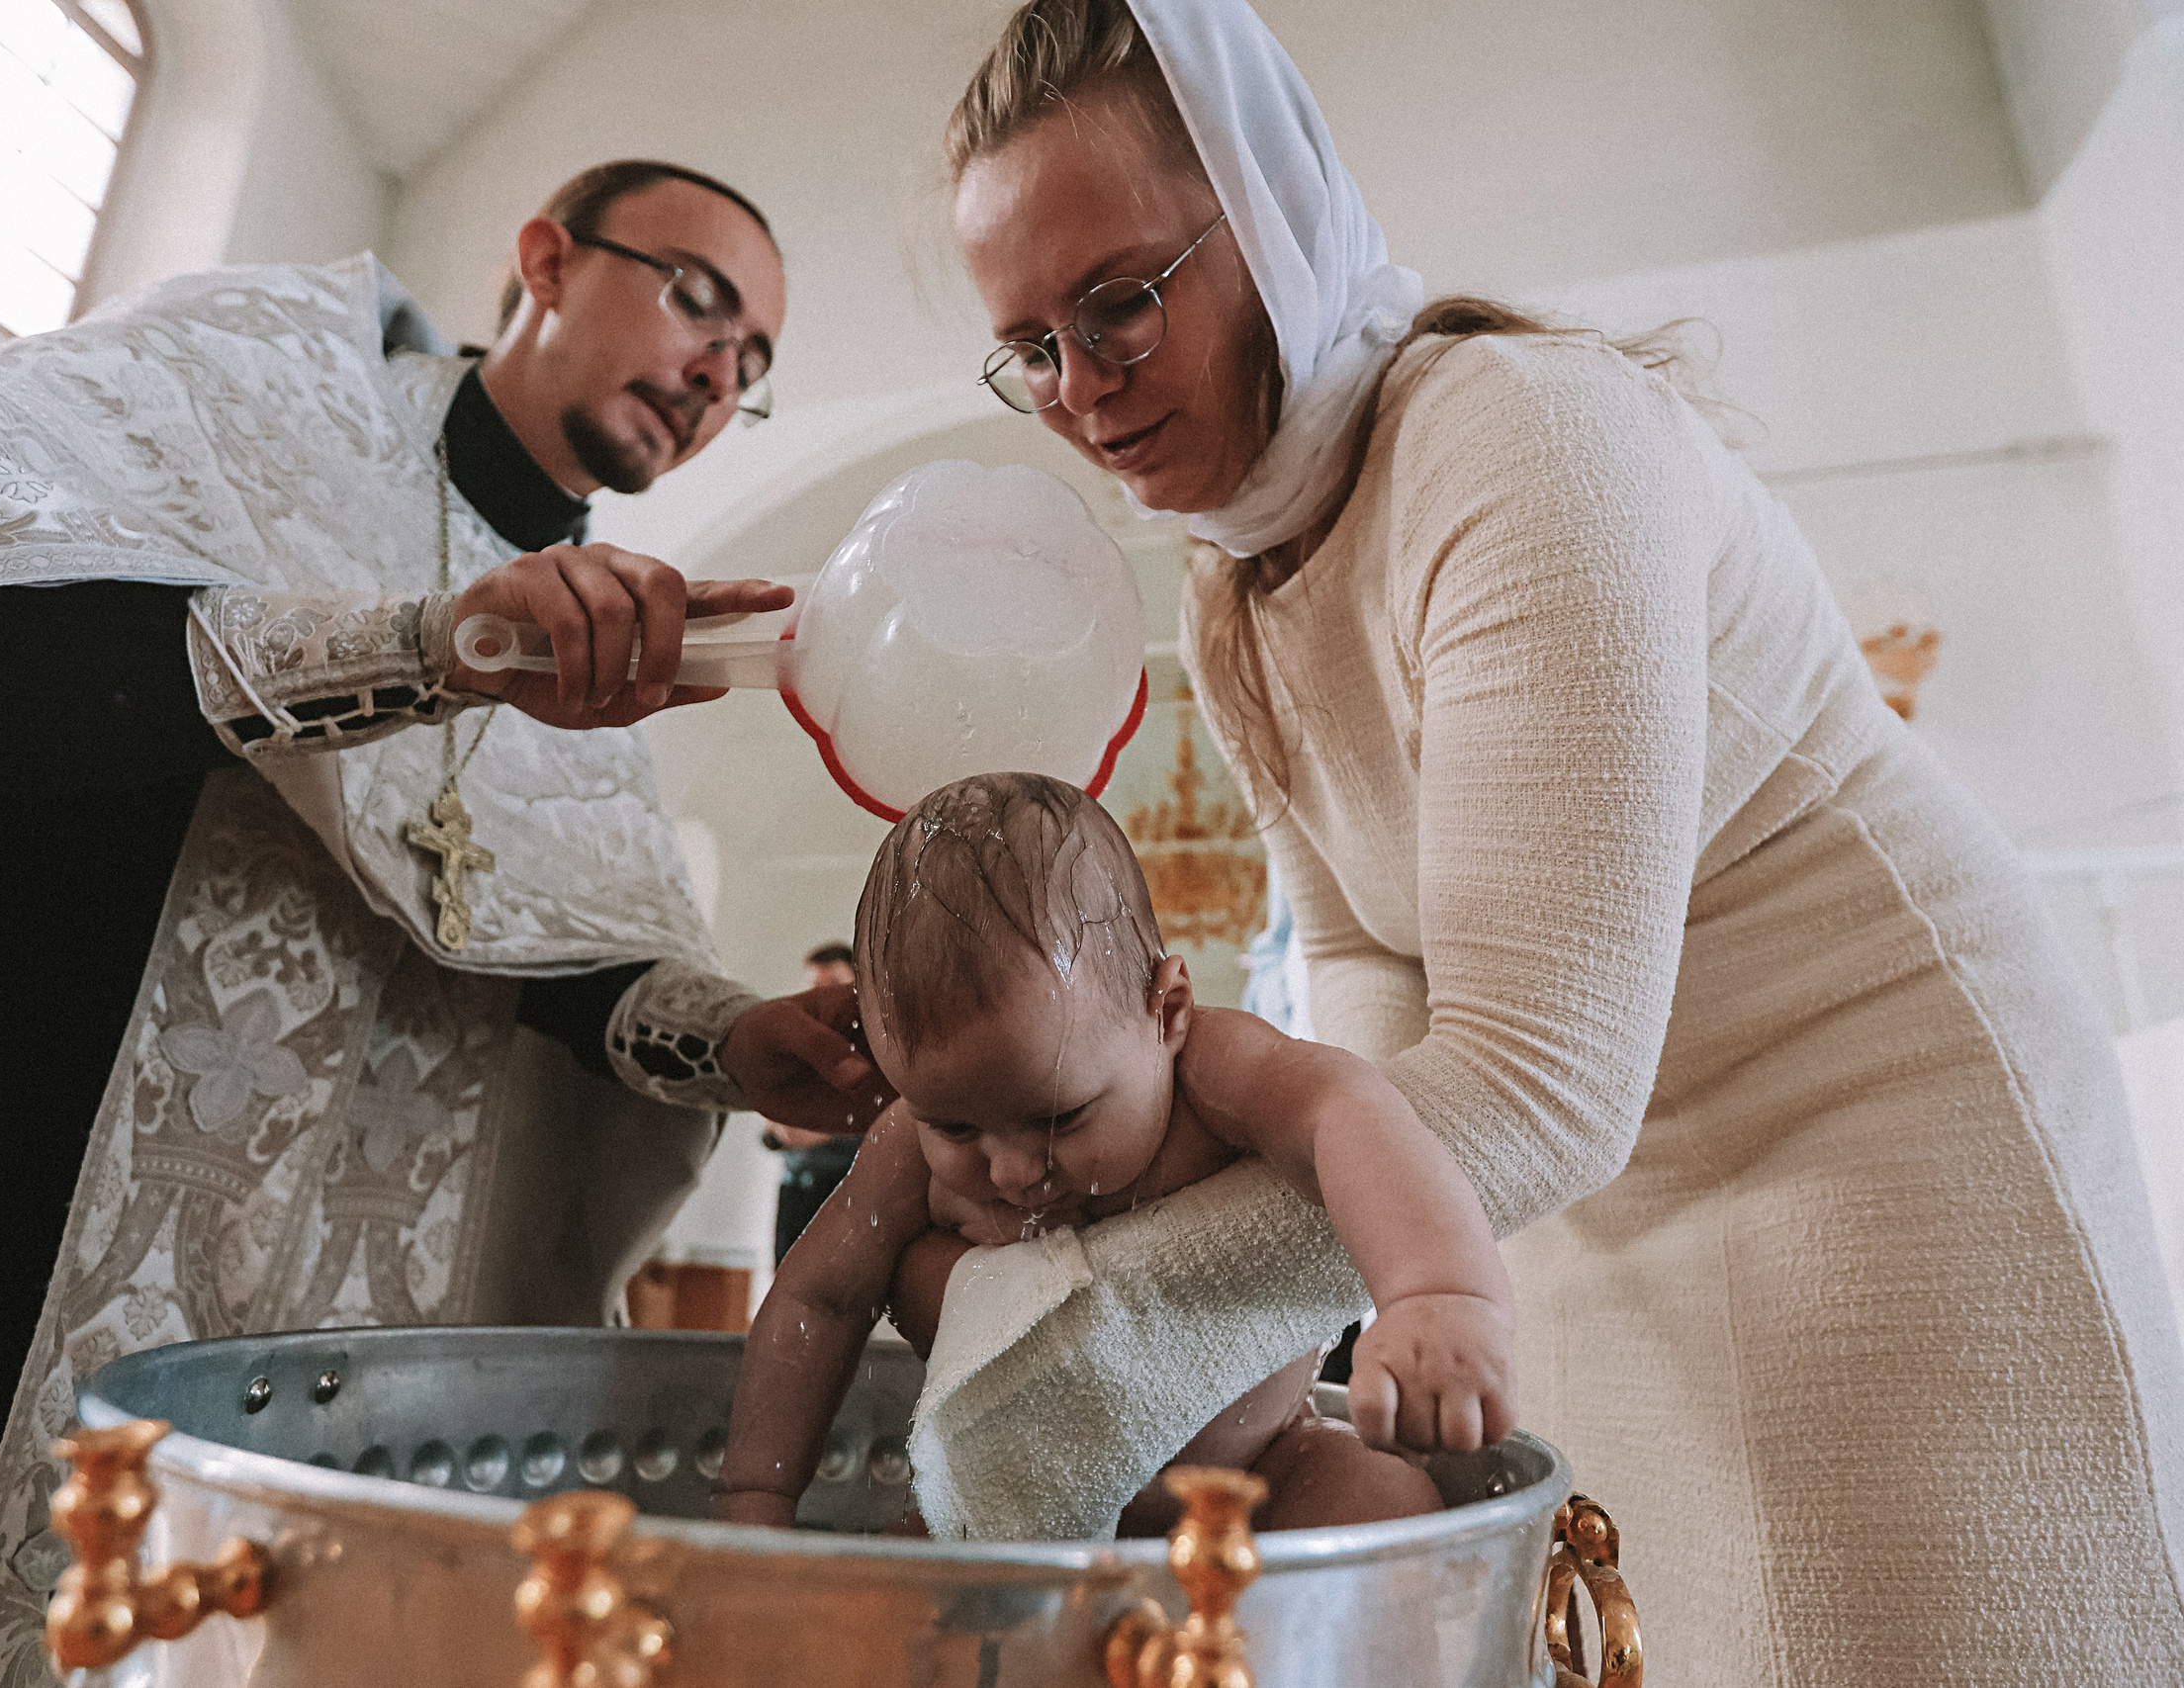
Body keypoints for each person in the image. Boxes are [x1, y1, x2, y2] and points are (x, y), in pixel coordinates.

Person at [908, 0, 2184, 1677]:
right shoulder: (1237, 571)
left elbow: (1537, 1075)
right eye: (1031, 347)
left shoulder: (1518, 441)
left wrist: (1100, 1299)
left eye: (1120, 300)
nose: (1082, 386)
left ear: (1272, 212)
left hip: (1877, 1149)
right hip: (1579, 1214)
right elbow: (1369, 973)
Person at [0, 160, 883, 1688]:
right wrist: (430, 647)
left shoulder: (622, 665)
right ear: (547, 258)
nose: (718, 368)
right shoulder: (249, 390)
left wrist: (740, 1038)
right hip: (39, 1225)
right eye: (699, 298)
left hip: (363, 1351)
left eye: (754, 365)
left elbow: (558, 959)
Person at [712, 774, 1498, 1536]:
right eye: (955, 1128)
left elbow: (1345, 1109)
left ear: (1169, 1013)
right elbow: (819, 1299)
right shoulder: (905, 1150)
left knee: (1383, 1492)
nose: (1014, 1170)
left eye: (1060, 1116)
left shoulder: (1212, 1074)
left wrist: (1434, 1290)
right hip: (1011, 1514)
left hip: (1261, 1472)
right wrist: (757, 1492)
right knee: (904, 1596)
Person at [766, 941, 864, 1262]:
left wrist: (827, 1136)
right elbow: (768, 1135)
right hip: (794, 1189)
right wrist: (778, 1129)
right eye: (815, 987)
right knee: (784, 1283)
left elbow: (895, 1128)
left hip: (847, 1192)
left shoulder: (880, 1051)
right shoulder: (798, 1049)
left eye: (834, 985)